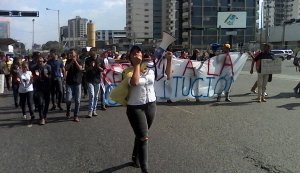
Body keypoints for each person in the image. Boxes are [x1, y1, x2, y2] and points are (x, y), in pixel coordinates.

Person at [126, 45, 172, 173]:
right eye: (133, 53)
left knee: (141, 134)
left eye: (139, 52)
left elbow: (167, 75)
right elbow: (134, 82)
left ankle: (135, 158)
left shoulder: (150, 69)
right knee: (144, 137)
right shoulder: (127, 70)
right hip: (135, 107)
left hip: (151, 105)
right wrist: (136, 65)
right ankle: (145, 169)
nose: (137, 54)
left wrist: (169, 60)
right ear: (130, 56)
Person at [32, 56, 52, 125]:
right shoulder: (34, 68)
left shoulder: (48, 67)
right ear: (36, 62)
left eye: (41, 61)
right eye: (38, 61)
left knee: (47, 103)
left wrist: (46, 75)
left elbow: (51, 76)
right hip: (39, 87)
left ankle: (44, 116)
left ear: (43, 61)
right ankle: (41, 118)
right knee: (40, 103)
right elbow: (32, 78)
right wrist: (35, 77)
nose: (40, 63)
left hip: (47, 87)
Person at [84, 47, 104, 118]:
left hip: (97, 80)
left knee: (96, 96)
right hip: (89, 80)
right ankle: (90, 111)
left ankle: (94, 110)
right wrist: (91, 67)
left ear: (96, 52)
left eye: (92, 51)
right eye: (90, 51)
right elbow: (85, 69)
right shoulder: (87, 59)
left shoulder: (101, 59)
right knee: (91, 95)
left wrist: (98, 67)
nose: (91, 52)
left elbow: (103, 70)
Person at [65, 49, 83, 122]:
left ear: (75, 54)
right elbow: (66, 68)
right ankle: (68, 109)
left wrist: (75, 61)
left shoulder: (79, 61)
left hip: (77, 83)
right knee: (68, 99)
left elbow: (80, 69)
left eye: (72, 53)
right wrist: (71, 62)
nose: (71, 54)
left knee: (77, 100)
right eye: (70, 53)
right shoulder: (68, 61)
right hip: (69, 82)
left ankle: (76, 115)